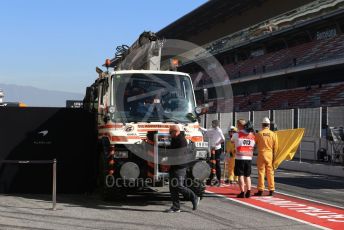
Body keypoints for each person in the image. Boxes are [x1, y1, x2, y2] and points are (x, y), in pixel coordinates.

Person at [166, 125, 200, 213]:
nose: (170, 134)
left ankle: (194, 197)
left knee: (178, 186)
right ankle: (176, 207)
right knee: (172, 187)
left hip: (180, 165)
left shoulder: (181, 140)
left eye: (170, 132)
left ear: (175, 131)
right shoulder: (175, 139)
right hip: (174, 165)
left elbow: (178, 154)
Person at [254, 117, 278, 196]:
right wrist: (274, 156)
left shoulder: (259, 134)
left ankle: (260, 190)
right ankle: (271, 189)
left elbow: (255, 144)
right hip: (269, 154)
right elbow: (276, 147)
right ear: (269, 125)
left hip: (261, 153)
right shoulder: (273, 134)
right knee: (270, 172)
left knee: (261, 172)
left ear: (262, 125)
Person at [231, 119, 256, 198]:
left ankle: (242, 192)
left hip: (240, 157)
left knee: (240, 175)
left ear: (239, 125)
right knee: (247, 176)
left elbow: (232, 141)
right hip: (249, 157)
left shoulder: (237, 134)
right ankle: (248, 191)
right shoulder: (252, 135)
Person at [200, 120, 225, 186]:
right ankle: (210, 179)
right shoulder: (212, 129)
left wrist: (217, 143)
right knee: (210, 164)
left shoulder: (218, 130)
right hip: (211, 148)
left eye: (214, 124)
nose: (213, 125)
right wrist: (200, 128)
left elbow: (223, 139)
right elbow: (206, 131)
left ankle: (218, 180)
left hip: (217, 149)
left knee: (216, 164)